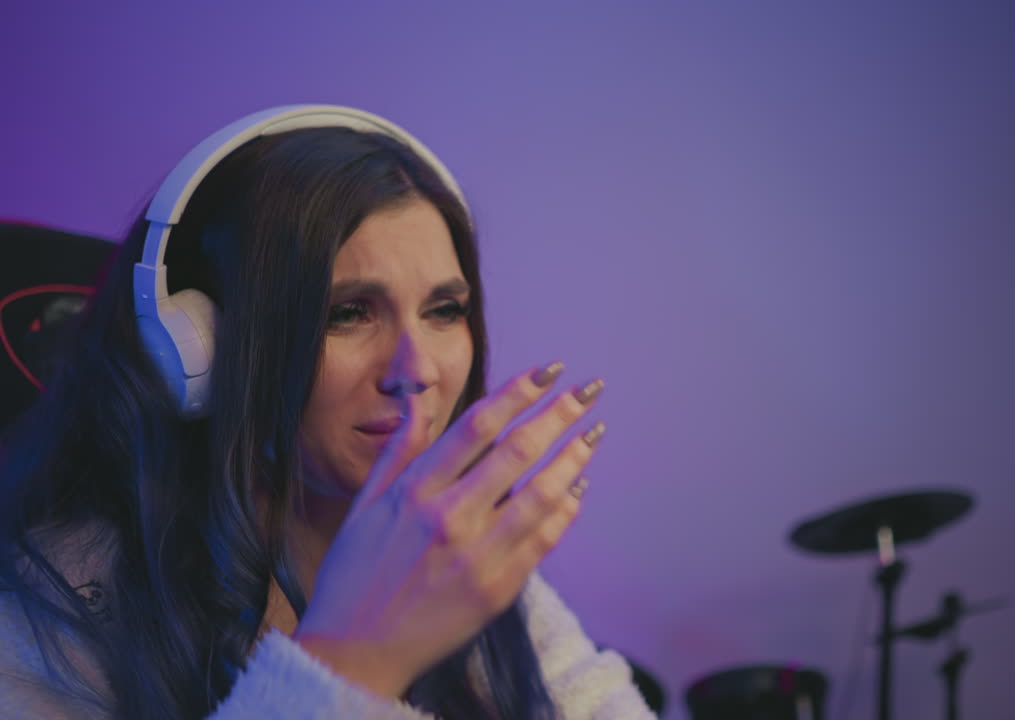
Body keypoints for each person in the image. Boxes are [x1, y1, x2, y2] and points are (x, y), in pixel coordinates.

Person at [0, 106, 654, 720]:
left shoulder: (449, 546)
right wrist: (356, 661)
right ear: (204, 344)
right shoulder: (55, 610)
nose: (417, 371)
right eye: (348, 313)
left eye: (444, 310)